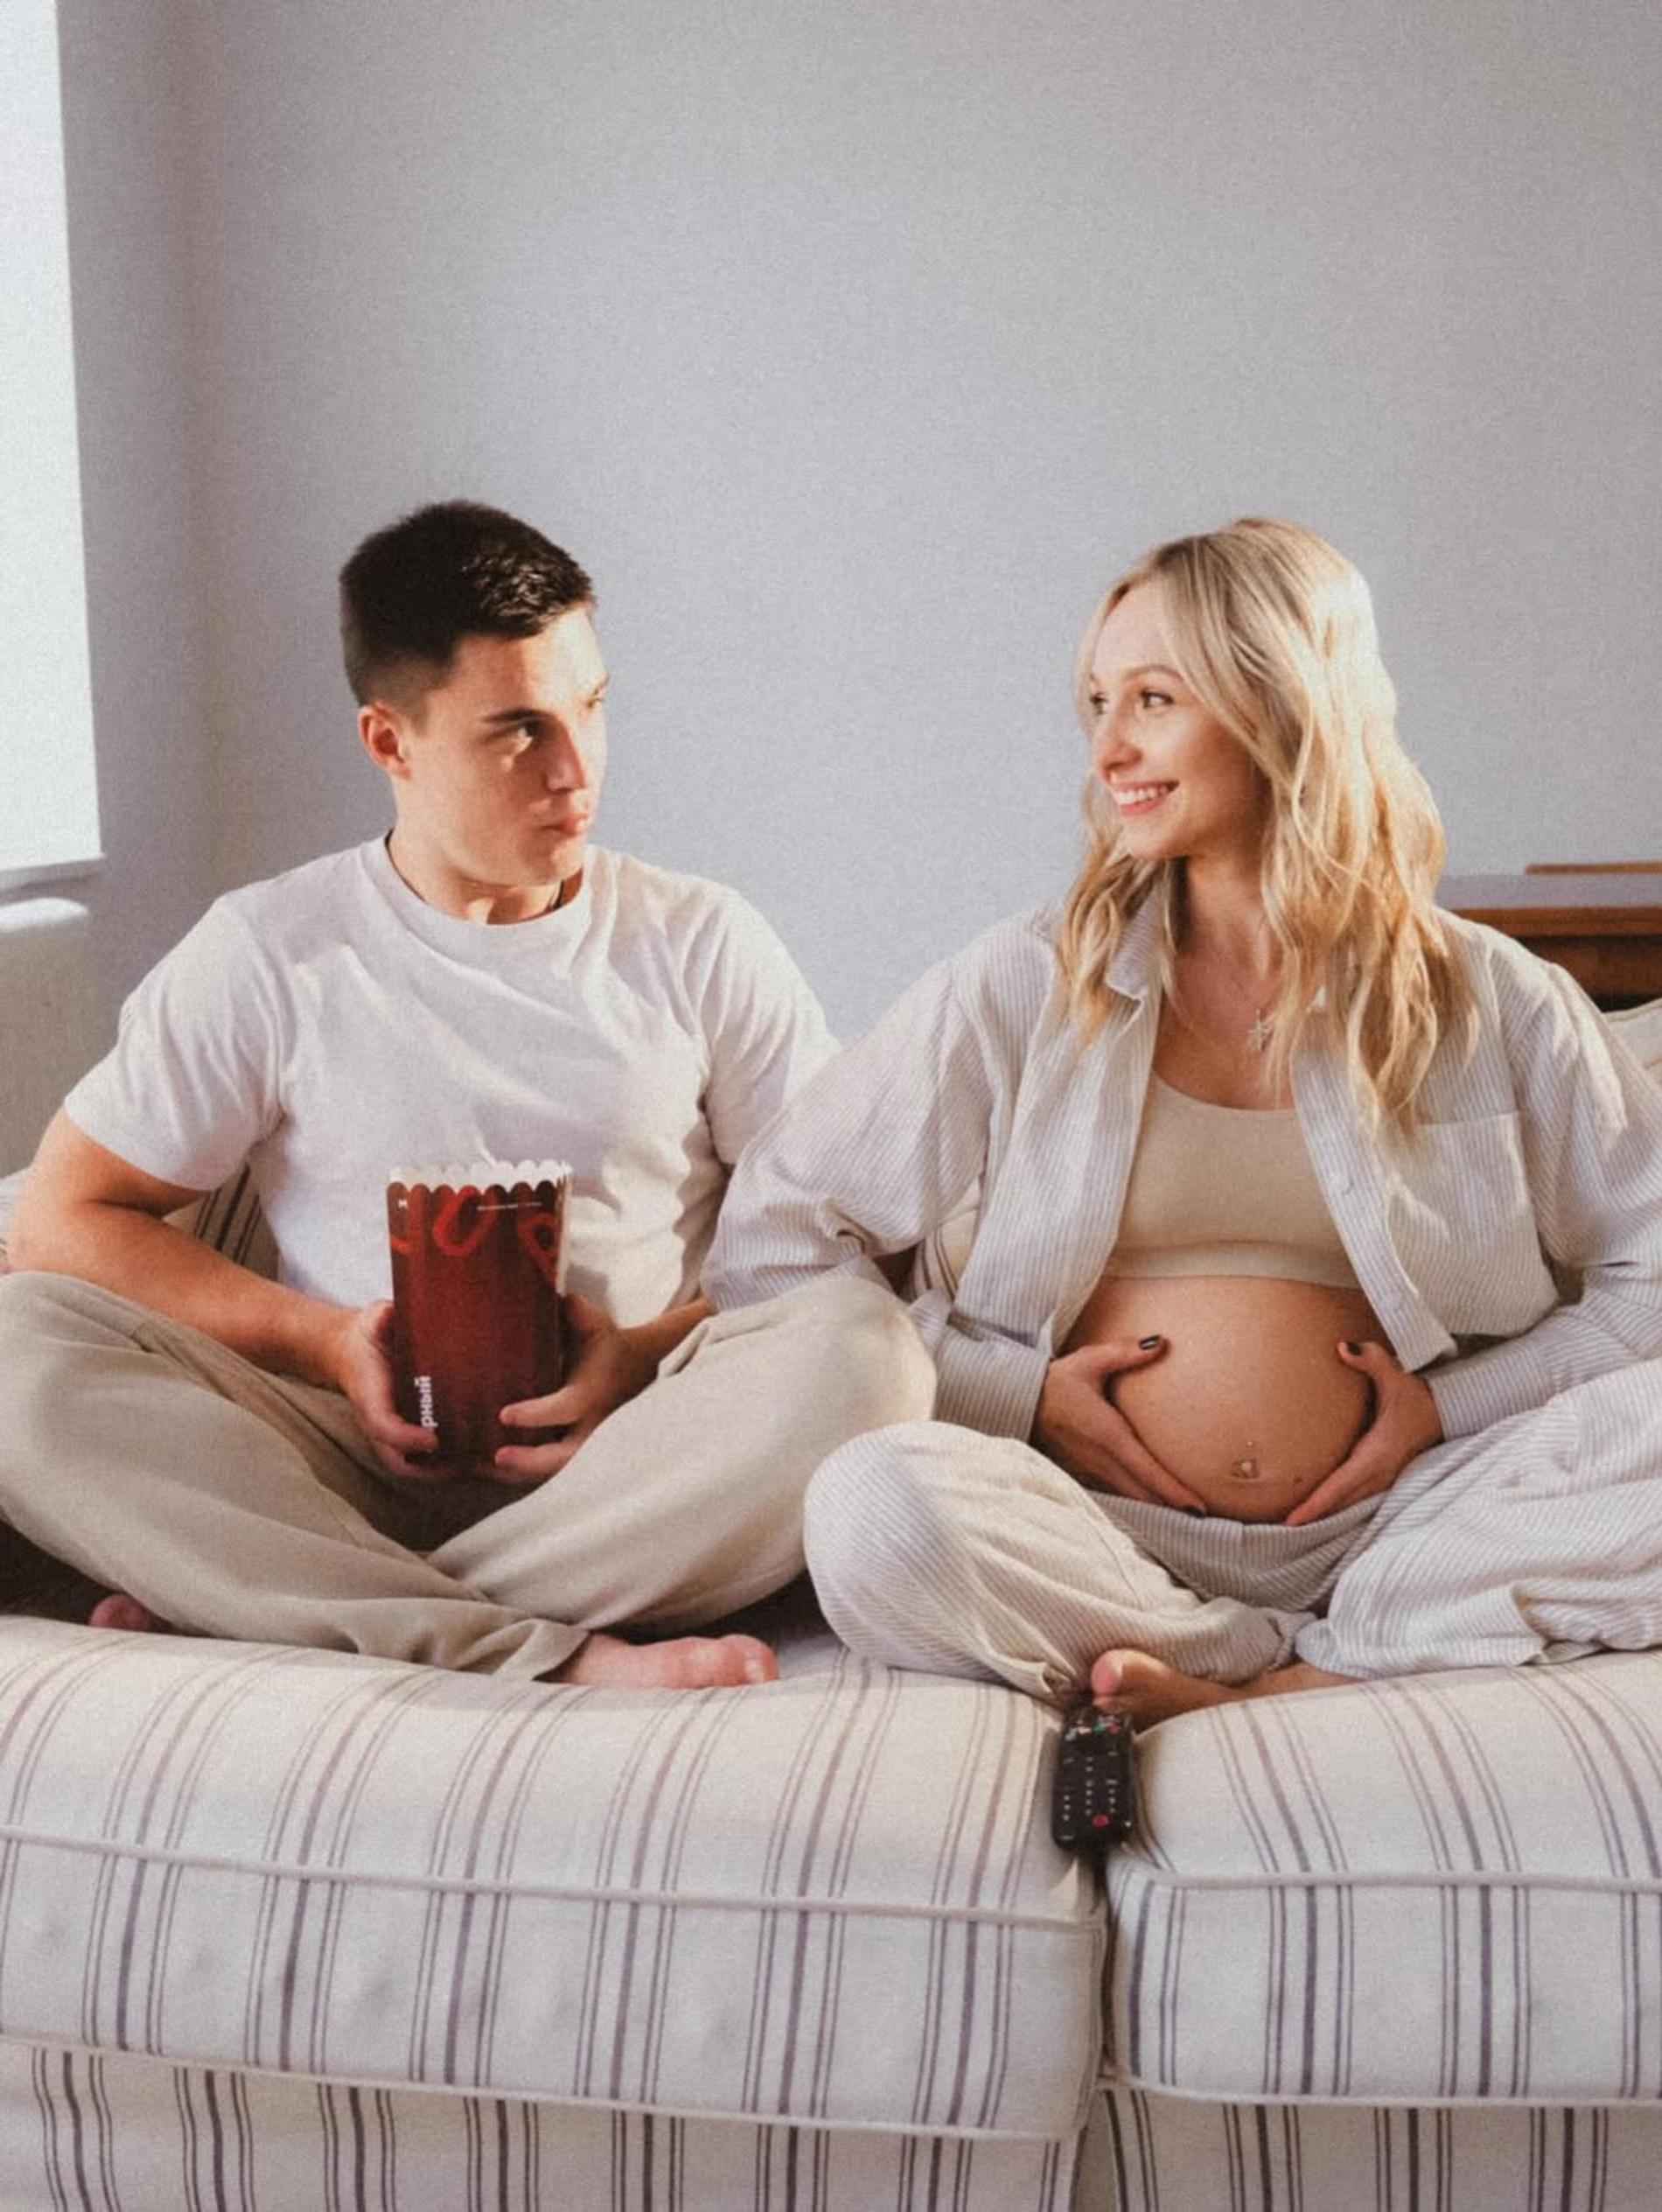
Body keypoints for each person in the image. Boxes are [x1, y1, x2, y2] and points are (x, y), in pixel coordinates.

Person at [705, 516, 1662, 1725]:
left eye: (1153, 700)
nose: (1108, 748)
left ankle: (1328, 1656)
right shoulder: (1026, 982)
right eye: (1097, 703)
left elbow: (1652, 1273)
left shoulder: (1492, 998)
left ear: (1282, 704)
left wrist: (1446, 1409)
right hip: (1096, 1528)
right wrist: (1016, 1394)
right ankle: (1240, 1656)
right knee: (872, 1507)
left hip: (1423, 1510)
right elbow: (774, 1246)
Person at [0, 500, 932, 1690]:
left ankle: (308, 1604)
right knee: (15, 1348)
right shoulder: (272, 951)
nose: (577, 768)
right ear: (390, 741)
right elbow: (62, 1220)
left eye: (592, 707)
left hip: (633, 1459)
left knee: (868, 1353)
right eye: (520, 730)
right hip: (344, 1460)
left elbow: (842, 1241)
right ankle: (506, 1639)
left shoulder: (700, 941)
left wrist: (638, 1356)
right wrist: (325, 1343)